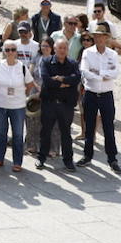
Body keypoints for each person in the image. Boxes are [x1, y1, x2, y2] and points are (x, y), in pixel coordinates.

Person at [78, 24, 121, 172]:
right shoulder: (87, 53)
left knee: (109, 127)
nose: (98, 38)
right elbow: (84, 71)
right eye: (96, 36)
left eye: (101, 36)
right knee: (89, 128)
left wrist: (98, 73)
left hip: (106, 95)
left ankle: (112, 158)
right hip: (91, 94)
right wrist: (102, 75)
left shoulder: (112, 54)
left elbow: (115, 73)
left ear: (106, 38)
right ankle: (87, 156)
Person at [0, 40, 37, 172]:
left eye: (13, 50)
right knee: (0, 132)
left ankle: (17, 162)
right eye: (8, 50)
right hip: (0, 104)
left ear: (16, 52)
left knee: (17, 133)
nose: (10, 52)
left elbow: (29, 84)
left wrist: (22, 95)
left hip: (17, 106)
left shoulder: (22, 67)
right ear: (4, 52)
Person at [36, 37, 80, 170]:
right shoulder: (46, 61)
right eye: (59, 48)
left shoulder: (72, 63)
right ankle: (41, 158)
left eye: (64, 48)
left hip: (66, 105)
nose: (62, 50)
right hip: (49, 103)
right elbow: (47, 81)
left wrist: (60, 79)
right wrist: (65, 83)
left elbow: (76, 79)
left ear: (67, 50)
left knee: (66, 134)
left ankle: (68, 161)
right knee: (45, 132)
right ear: (54, 49)